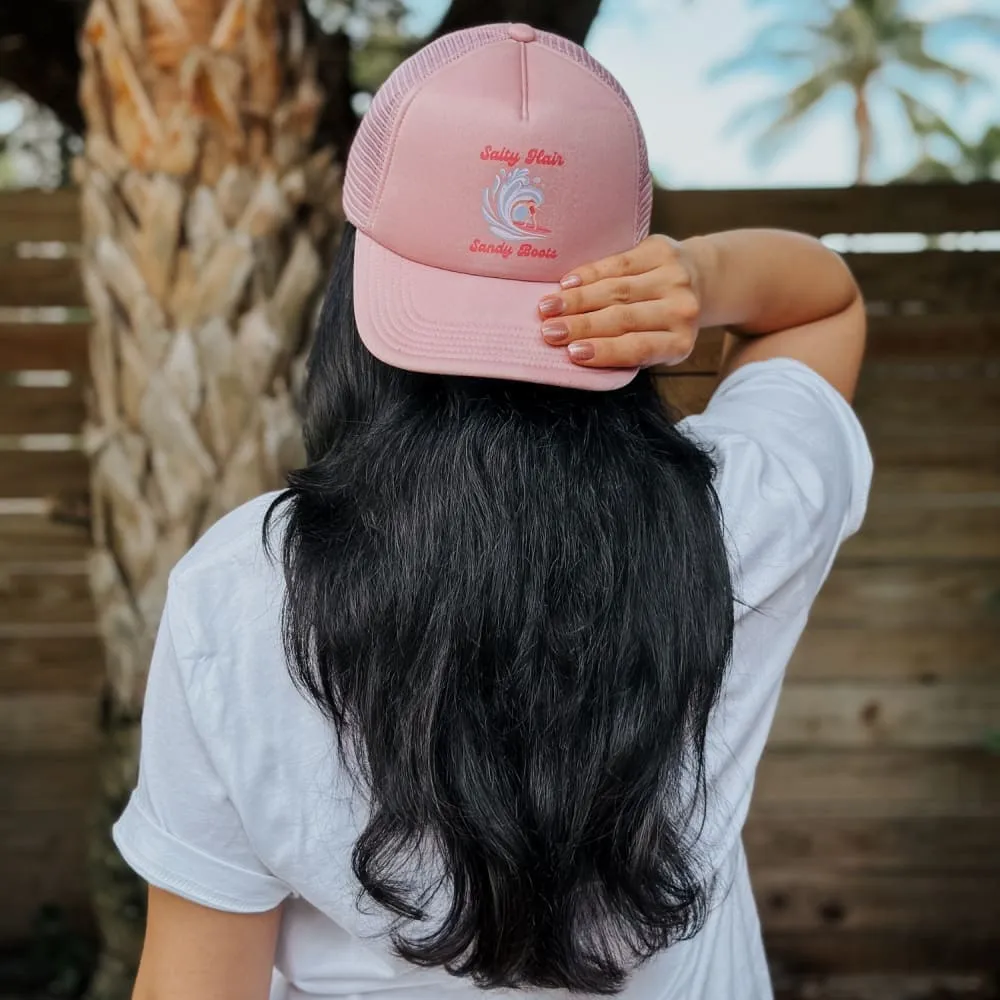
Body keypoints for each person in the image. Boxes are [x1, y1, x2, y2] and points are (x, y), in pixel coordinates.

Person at [112, 23, 871, 1000]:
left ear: (360, 281)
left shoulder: (244, 587)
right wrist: (704, 272)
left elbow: (194, 986)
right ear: (630, 273)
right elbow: (821, 304)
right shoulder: (735, 517)